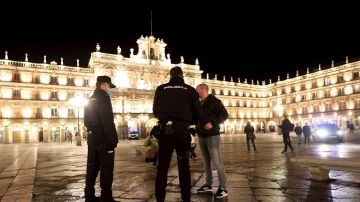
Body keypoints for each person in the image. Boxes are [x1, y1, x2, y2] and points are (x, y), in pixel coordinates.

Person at [153, 66, 202, 202]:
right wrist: (186, 121)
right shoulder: (190, 90)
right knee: (184, 167)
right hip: (182, 133)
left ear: (170, 76)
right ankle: (186, 198)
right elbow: (199, 113)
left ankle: (159, 198)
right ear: (182, 76)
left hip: (166, 131)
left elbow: (155, 111)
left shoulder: (161, 89)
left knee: (162, 167)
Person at [84, 75, 119, 202]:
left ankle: (89, 195)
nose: (110, 89)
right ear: (104, 85)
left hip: (92, 136)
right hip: (103, 136)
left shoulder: (90, 99)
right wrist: (113, 138)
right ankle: (106, 196)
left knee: (92, 165)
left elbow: (86, 121)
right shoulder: (104, 98)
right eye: (109, 87)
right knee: (107, 167)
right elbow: (107, 120)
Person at [196, 83, 229, 199]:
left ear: (204, 90)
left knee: (217, 161)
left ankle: (223, 187)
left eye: (198, 90)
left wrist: (213, 123)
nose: (197, 92)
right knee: (206, 161)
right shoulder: (198, 103)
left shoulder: (214, 101)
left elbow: (225, 114)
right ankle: (208, 184)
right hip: (201, 135)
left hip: (212, 135)